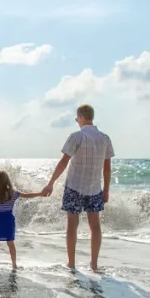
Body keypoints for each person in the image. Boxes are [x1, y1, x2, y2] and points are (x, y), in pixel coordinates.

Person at [41, 104, 114, 271]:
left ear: (81, 117)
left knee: (72, 226)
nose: (77, 122)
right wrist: (107, 189)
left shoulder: (76, 137)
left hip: (74, 186)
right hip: (95, 188)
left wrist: (51, 182)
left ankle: (72, 264)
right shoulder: (105, 138)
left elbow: (64, 161)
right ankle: (94, 265)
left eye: (77, 119)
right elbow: (107, 168)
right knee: (95, 227)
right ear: (92, 117)